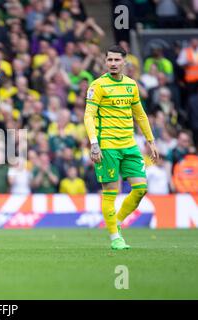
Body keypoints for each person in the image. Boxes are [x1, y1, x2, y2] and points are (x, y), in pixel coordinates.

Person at [84, 45, 159, 250]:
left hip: (129, 145)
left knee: (141, 189)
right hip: (107, 145)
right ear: (105, 62)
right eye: (110, 60)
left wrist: (150, 141)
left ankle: (115, 221)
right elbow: (88, 115)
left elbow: (140, 115)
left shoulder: (131, 85)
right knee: (110, 191)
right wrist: (94, 143)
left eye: (117, 60)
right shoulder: (98, 85)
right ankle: (115, 237)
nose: (113, 64)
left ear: (125, 62)